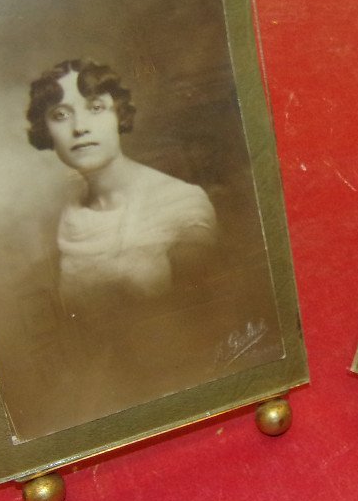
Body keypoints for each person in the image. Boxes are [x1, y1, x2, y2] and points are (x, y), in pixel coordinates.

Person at [25, 58, 217, 319]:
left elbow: (206, 319)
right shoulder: (65, 217)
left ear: (119, 115)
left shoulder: (181, 203)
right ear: (46, 130)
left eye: (95, 107)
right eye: (60, 115)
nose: (79, 127)